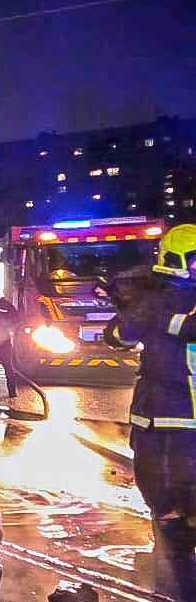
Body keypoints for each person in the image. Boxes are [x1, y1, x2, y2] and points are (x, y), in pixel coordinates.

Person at [103, 224, 196, 559]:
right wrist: (132, 306)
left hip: (179, 413)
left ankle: (179, 535)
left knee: (179, 480)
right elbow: (118, 336)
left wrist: (144, 307)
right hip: (156, 412)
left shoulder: (160, 300)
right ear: (176, 260)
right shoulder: (154, 298)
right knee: (156, 479)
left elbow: (185, 326)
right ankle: (172, 530)